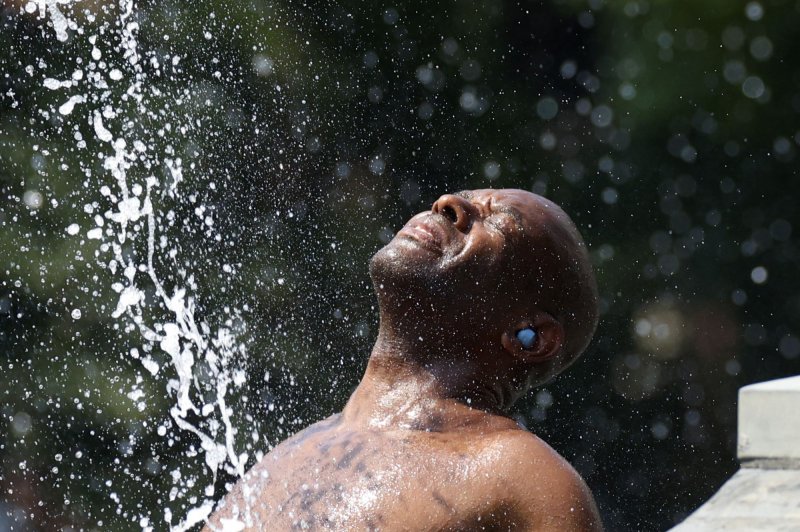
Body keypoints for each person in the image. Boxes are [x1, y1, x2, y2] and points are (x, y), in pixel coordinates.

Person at [205, 189, 602, 531]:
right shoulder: (296, 451)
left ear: (530, 338)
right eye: (460, 195)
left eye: (499, 225)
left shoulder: (521, 477)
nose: (448, 204)